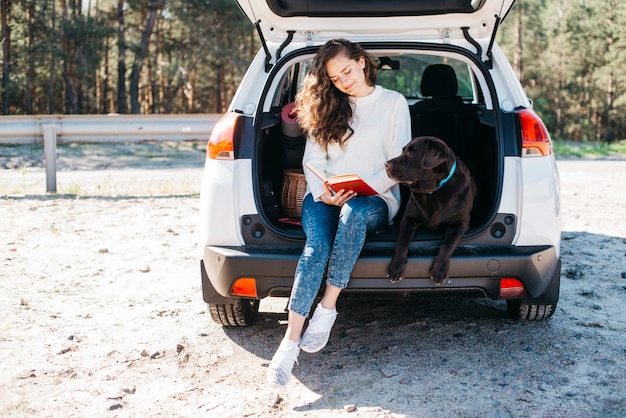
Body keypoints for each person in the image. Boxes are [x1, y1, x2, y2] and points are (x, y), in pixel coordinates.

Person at [267, 39, 412, 387]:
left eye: (346, 71)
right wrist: (326, 191)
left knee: (353, 215)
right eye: (334, 78)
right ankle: (289, 345)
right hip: (326, 194)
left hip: (374, 199)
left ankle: (328, 307)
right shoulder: (328, 105)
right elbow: (312, 160)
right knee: (316, 247)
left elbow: (399, 164)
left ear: (362, 62)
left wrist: (360, 190)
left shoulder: (393, 103)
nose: (343, 81)